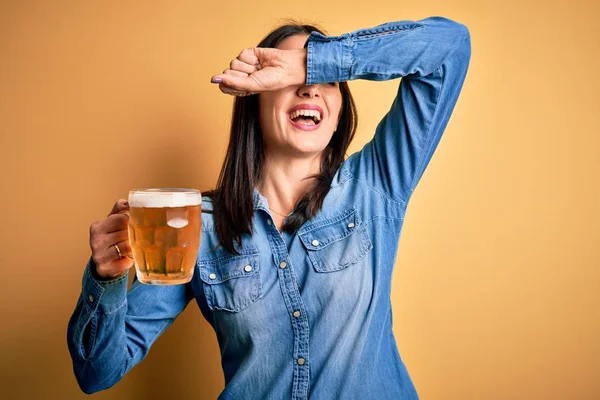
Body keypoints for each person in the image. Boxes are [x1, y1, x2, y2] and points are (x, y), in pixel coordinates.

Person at [67, 15, 471, 399]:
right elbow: (97, 373)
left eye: (325, 81)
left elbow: (449, 46)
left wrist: (307, 63)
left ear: (339, 114)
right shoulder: (198, 226)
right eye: (292, 79)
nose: (310, 88)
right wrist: (105, 280)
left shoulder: (375, 184)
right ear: (254, 99)